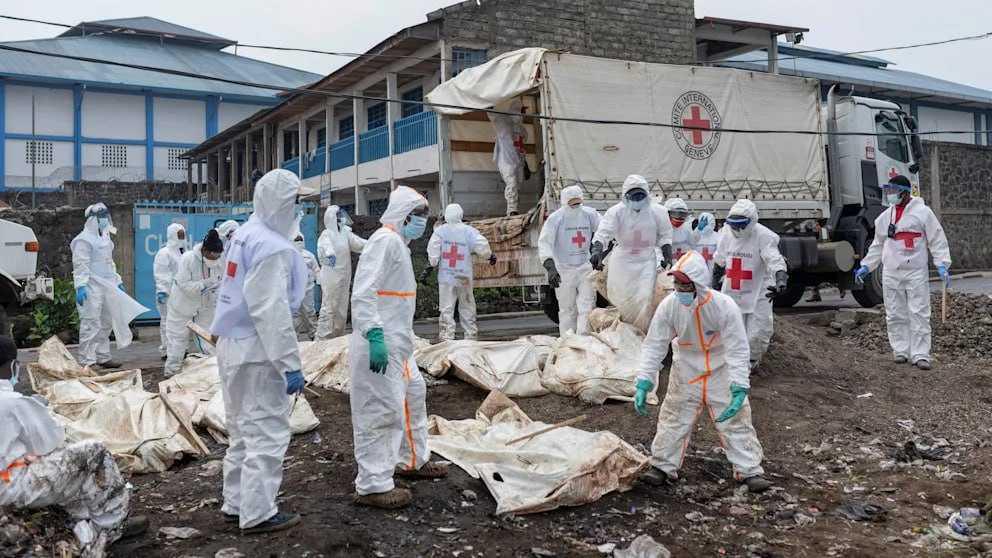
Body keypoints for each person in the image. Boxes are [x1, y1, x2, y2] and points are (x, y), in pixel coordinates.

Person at [211, 169, 309, 534]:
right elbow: (271, 311)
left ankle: (236, 502)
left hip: (232, 346)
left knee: (241, 430)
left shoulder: (246, 235)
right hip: (258, 350)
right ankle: (258, 512)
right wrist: (291, 365)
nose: (299, 209)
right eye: (296, 201)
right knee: (267, 431)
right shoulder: (272, 247)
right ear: (282, 204)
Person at [631, 252, 771, 493]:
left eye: (684, 285)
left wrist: (739, 385)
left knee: (735, 420)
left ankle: (749, 470)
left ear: (698, 285)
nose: (679, 289)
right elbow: (655, 344)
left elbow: (738, 348)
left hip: (721, 369)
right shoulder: (669, 306)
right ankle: (662, 466)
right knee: (674, 417)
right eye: (676, 284)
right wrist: (644, 380)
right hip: (686, 369)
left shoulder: (723, 306)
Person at [0, 335, 147, 554]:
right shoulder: (13, 402)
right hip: (11, 486)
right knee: (92, 452)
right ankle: (113, 525)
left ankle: (78, 514)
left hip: (6, 479)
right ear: (12, 366)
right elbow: (50, 441)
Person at [350, 185, 448, 509]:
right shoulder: (384, 241)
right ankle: (373, 484)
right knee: (381, 409)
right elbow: (364, 292)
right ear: (405, 216)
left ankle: (412, 461)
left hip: (399, 344)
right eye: (419, 216)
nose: (423, 222)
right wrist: (374, 335)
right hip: (380, 342)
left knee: (413, 397)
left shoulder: (399, 245)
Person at [854, 174, 950, 370]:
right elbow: (878, 244)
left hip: (915, 271)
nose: (889, 195)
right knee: (895, 312)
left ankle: (921, 354)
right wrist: (866, 266)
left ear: (905, 193)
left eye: (893, 191)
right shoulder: (885, 216)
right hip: (891, 270)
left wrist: (942, 264)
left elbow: (937, 239)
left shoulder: (923, 213)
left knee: (919, 312)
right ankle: (900, 351)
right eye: (888, 191)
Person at [711, 199, 788, 370]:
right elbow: (720, 259)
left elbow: (774, 260)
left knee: (757, 330)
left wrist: (781, 280)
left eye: (741, 225)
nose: (737, 229)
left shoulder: (764, 236)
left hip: (760, 288)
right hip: (733, 287)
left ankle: (751, 363)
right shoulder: (726, 234)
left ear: (752, 222)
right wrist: (714, 284)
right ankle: (729, 363)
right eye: (733, 224)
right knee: (729, 328)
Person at [590, 175, 673, 330]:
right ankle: (623, 332)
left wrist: (667, 254)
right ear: (625, 196)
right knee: (621, 300)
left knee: (644, 299)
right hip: (622, 262)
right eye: (633, 196)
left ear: (647, 195)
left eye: (640, 196)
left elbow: (665, 235)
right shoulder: (616, 212)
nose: (637, 200)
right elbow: (603, 233)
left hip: (646, 261)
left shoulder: (659, 212)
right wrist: (596, 250)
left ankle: (643, 333)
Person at [71, 203, 146, 369]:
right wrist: (81, 286)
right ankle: (87, 361)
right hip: (91, 286)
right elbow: (80, 265)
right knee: (91, 323)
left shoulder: (105, 237)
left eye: (106, 216)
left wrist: (117, 281)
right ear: (92, 220)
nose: (105, 220)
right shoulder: (83, 240)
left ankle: (103, 357)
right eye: (102, 217)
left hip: (107, 285)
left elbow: (109, 263)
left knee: (106, 322)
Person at [423, 203, 495, 341]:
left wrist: (433, 262)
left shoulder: (440, 231)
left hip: (446, 278)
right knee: (467, 306)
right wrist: (489, 256)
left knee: (446, 308)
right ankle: (471, 337)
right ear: (460, 215)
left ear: (446, 216)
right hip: (464, 276)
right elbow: (482, 245)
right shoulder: (468, 231)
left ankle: (446, 337)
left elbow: (433, 250)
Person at [537, 185, 601, 335]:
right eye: (572, 203)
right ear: (564, 203)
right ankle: (568, 342)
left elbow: (604, 231)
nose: (576, 206)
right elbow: (545, 243)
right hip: (563, 269)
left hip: (585, 267)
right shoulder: (555, 219)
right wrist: (551, 268)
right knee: (567, 309)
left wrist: (600, 252)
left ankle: (584, 341)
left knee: (587, 306)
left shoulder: (589, 214)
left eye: (578, 203)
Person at [163, 229, 225, 376]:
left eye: (217, 257)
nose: (214, 260)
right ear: (204, 250)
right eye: (211, 256)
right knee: (177, 344)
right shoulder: (188, 259)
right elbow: (185, 286)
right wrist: (207, 283)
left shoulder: (218, 262)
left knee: (210, 342)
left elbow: (221, 281)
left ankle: (212, 374)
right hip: (182, 308)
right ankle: (171, 374)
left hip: (204, 307)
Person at [315, 206, 367, 339]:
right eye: (339, 216)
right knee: (330, 306)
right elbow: (324, 246)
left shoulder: (345, 233)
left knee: (342, 308)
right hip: (331, 275)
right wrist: (329, 253)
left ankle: (337, 337)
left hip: (344, 274)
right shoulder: (327, 234)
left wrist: (374, 243)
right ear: (333, 218)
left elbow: (358, 244)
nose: (342, 218)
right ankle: (322, 339)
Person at [153, 223, 187, 360]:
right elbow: (161, 273)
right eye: (179, 235)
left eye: (183, 234)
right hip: (168, 293)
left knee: (181, 322)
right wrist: (162, 290)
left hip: (181, 294)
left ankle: (180, 349)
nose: (182, 237)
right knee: (167, 322)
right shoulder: (164, 253)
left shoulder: (182, 252)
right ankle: (166, 350)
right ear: (172, 235)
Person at [488, 99, 527, 216]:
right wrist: (489, 107)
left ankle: (514, 208)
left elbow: (521, 148)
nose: (521, 115)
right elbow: (494, 117)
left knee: (518, 184)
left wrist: (525, 165)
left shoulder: (522, 130)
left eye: (522, 112)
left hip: (518, 161)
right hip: (506, 160)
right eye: (520, 111)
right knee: (512, 183)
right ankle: (512, 210)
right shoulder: (503, 124)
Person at [293, 234, 321, 341]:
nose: (299, 242)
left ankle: (314, 335)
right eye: (296, 240)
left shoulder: (309, 255)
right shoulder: (288, 255)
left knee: (310, 312)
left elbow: (316, 269)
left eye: (300, 240)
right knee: (294, 315)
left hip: (308, 289)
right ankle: (294, 338)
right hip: (293, 291)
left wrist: (320, 281)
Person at [692, 212, 719, 284]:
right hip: (698, 268)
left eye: (707, 223)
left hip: (712, 268)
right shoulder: (696, 236)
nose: (705, 226)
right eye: (703, 223)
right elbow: (690, 243)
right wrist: (698, 229)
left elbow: (721, 253)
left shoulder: (717, 236)